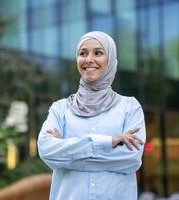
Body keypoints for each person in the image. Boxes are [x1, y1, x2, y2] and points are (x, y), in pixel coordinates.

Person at [37, 31, 146, 200]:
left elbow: (130, 159)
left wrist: (66, 152)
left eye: (98, 53)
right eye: (83, 53)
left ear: (110, 60)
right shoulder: (60, 109)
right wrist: (109, 142)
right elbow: (46, 150)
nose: (88, 59)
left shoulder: (129, 107)